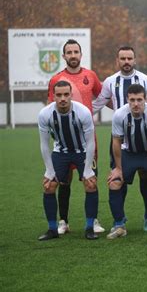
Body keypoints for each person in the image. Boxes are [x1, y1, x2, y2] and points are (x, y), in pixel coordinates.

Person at [93, 46, 147, 231]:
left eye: (129, 58)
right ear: (117, 60)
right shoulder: (110, 82)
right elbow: (98, 103)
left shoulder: (146, 80)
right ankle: (119, 220)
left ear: (134, 60)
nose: (126, 61)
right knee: (119, 178)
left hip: (146, 139)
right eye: (123, 58)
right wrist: (80, 114)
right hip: (122, 139)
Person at [47, 39, 105, 235]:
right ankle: (63, 221)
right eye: (69, 52)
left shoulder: (91, 75)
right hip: (64, 140)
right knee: (64, 181)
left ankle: (94, 220)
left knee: (91, 179)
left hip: (88, 139)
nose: (73, 55)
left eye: (76, 52)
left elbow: (103, 96)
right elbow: (50, 107)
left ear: (81, 55)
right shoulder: (57, 80)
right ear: (64, 56)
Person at [106, 84, 147, 239]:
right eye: (132, 100)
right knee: (114, 181)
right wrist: (118, 168)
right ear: (127, 100)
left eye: (139, 100)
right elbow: (116, 141)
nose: (136, 104)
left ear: (145, 99)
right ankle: (119, 225)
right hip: (129, 153)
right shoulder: (119, 115)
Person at [38, 80, 99, 241]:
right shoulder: (45, 114)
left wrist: (87, 169)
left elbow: (91, 141)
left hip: (83, 152)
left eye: (66, 94)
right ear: (53, 96)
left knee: (91, 184)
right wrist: (49, 170)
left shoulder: (83, 112)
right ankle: (52, 229)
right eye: (59, 95)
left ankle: (90, 227)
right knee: (49, 185)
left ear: (71, 95)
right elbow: (44, 145)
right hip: (61, 152)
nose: (63, 98)